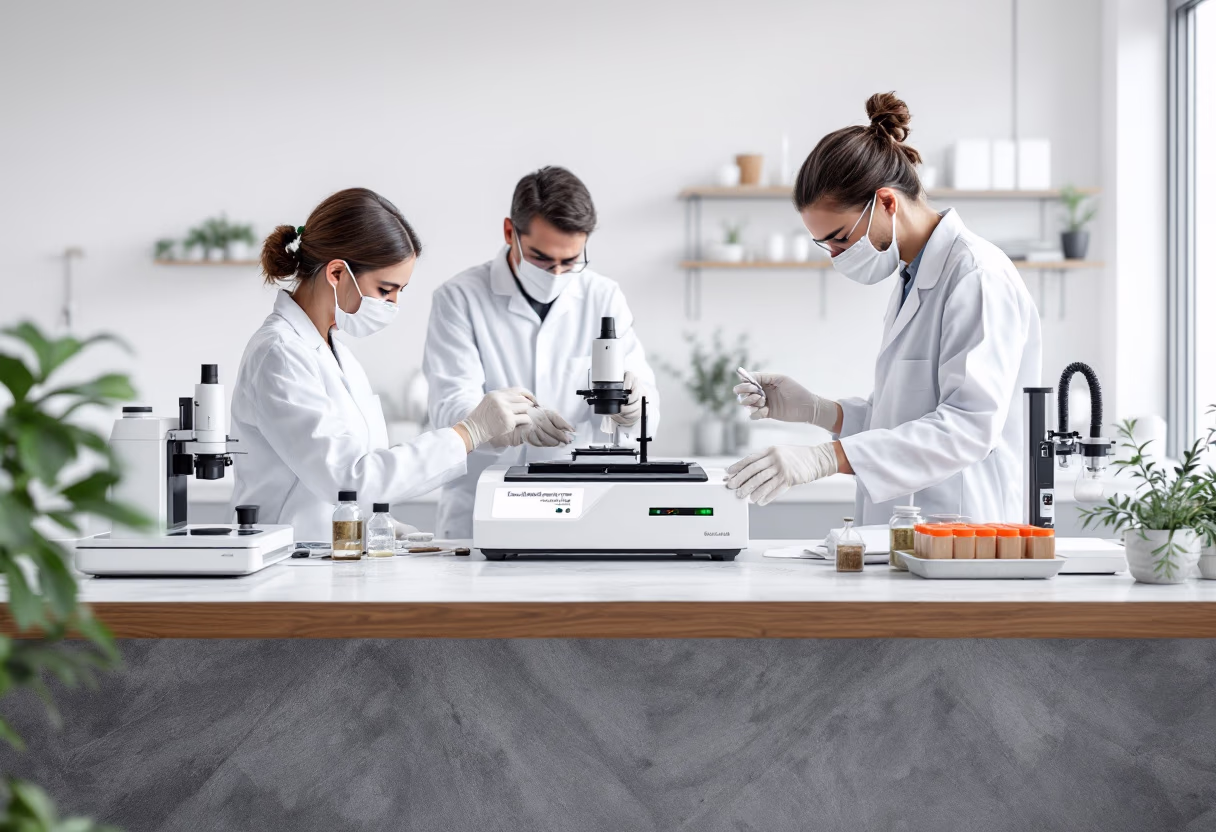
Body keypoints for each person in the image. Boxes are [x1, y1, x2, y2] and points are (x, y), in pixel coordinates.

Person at [726, 93, 1042, 524]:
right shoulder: (914, 276)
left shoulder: (977, 275)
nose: (836, 255)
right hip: (911, 530)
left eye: (839, 237)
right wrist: (818, 410)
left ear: (887, 202)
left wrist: (825, 458)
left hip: (964, 531)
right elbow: (900, 418)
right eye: (825, 245)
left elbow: (968, 428)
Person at [229, 187, 537, 540]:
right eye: (385, 290)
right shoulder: (279, 354)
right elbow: (349, 478)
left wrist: (383, 529)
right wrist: (468, 434)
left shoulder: (336, 354)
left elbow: (343, 480)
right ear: (336, 274)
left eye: (399, 292)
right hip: (286, 563)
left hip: (325, 558)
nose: (392, 305)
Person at [424, 166, 659, 538]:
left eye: (570, 261)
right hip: (484, 508)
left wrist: (637, 405)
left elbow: (639, 386)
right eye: (541, 259)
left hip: (585, 504)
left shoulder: (603, 295)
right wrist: (509, 424)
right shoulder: (459, 299)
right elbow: (449, 407)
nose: (557, 273)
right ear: (509, 233)